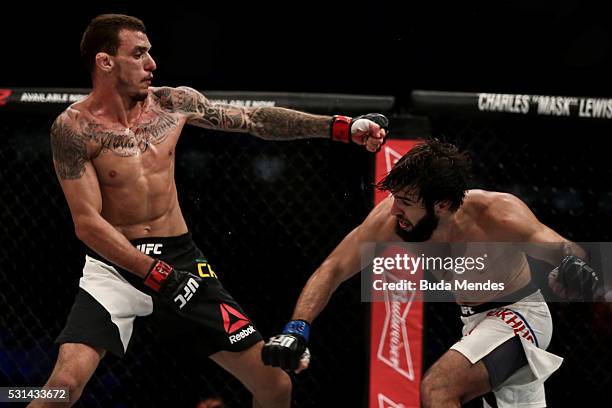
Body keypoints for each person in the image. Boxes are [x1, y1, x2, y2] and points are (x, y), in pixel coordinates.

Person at [30, 13, 387, 408]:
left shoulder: (172, 102)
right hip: (116, 265)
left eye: (150, 53)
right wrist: (156, 275)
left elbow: (253, 120)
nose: (152, 64)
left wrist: (340, 127)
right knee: (61, 390)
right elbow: (88, 224)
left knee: (275, 385)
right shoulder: (73, 127)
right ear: (105, 61)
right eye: (139, 54)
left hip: (181, 260)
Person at [262, 139, 601, 407]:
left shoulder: (497, 214)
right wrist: (297, 328)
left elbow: (562, 248)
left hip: (519, 315)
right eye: (395, 198)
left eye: (407, 201)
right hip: (474, 322)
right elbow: (333, 268)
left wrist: (571, 267)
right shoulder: (391, 220)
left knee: (439, 387)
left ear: (441, 204)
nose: (396, 209)